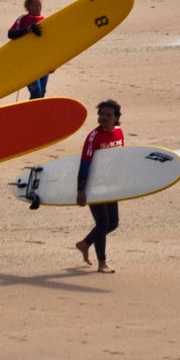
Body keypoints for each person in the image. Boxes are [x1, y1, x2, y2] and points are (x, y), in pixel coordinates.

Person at [74, 99, 126, 273]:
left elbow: (121, 159)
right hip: (94, 186)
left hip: (110, 185)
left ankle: (85, 243)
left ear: (116, 117)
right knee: (103, 221)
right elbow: (85, 163)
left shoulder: (119, 133)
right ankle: (102, 262)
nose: (103, 118)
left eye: (108, 115)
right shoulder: (93, 137)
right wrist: (81, 189)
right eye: (101, 114)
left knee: (113, 223)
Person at [7, 0, 48, 98]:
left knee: (42, 93)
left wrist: (53, 64)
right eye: (35, 5)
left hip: (43, 62)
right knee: (36, 92)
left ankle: (37, 114)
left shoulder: (45, 21)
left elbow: (50, 43)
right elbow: (10, 34)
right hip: (26, 63)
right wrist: (28, 29)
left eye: (40, 5)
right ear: (28, 6)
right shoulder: (23, 19)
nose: (38, 8)